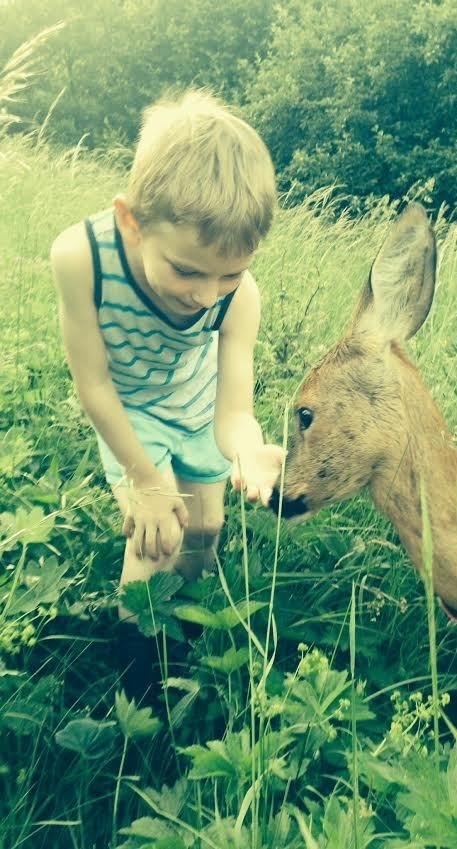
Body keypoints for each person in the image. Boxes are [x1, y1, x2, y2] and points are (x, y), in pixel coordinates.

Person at [50, 88, 284, 701]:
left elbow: (232, 411)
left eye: (229, 273)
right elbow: (93, 384)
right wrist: (145, 478)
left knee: (204, 529)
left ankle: (182, 627)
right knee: (158, 539)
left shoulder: (240, 296)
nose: (208, 295)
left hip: (195, 402)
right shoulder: (83, 259)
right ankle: (137, 683)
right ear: (131, 219)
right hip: (130, 412)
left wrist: (249, 450)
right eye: (186, 270)